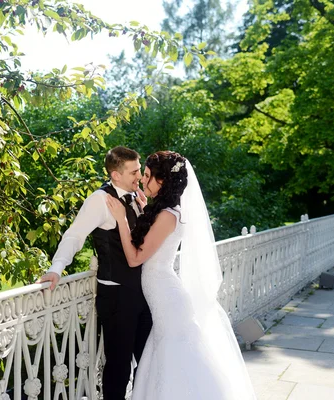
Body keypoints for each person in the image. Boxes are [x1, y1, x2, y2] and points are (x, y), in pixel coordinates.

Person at [105, 151, 256, 399]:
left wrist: (122, 219)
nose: (142, 181)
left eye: (146, 176)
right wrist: (143, 210)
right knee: (167, 359)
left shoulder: (168, 215)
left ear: (161, 180)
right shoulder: (164, 211)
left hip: (168, 299)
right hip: (162, 297)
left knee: (178, 361)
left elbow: (135, 258)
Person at [37, 146, 152, 400]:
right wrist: (57, 268)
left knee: (148, 361)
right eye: (133, 172)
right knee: (119, 369)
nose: (139, 177)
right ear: (115, 175)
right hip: (117, 296)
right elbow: (75, 235)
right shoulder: (99, 200)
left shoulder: (135, 197)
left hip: (143, 294)